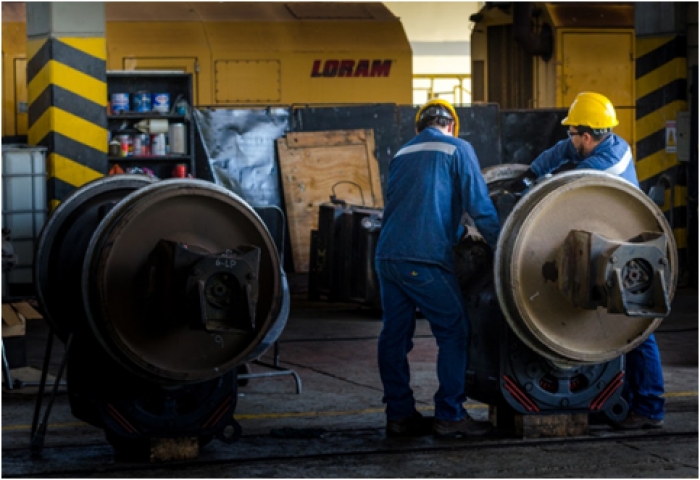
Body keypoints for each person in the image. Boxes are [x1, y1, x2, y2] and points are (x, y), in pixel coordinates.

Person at [509, 91, 665, 430]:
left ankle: (650, 407)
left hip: (624, 255)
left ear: (588, 136)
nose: (569, 139)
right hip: (603, 248)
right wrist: (531, 173)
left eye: (573, 134)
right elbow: (560, 153)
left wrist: (527, 193)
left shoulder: (601, 166)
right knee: (608, 331)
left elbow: (562, 191)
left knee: (636, 332)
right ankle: (612, 398)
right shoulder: (606, 141)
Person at [375, 99, 501, 438]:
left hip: (387, 257)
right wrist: (503, 245)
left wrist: (457, 232)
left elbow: (415, 206)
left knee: (395, 336)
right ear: (451, 125)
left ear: (419, 127)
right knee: (454, 332)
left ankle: (399, 416)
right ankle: (449, 413)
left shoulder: (401, 154)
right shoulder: (458, 149)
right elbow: (479, 205)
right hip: (424, 259)